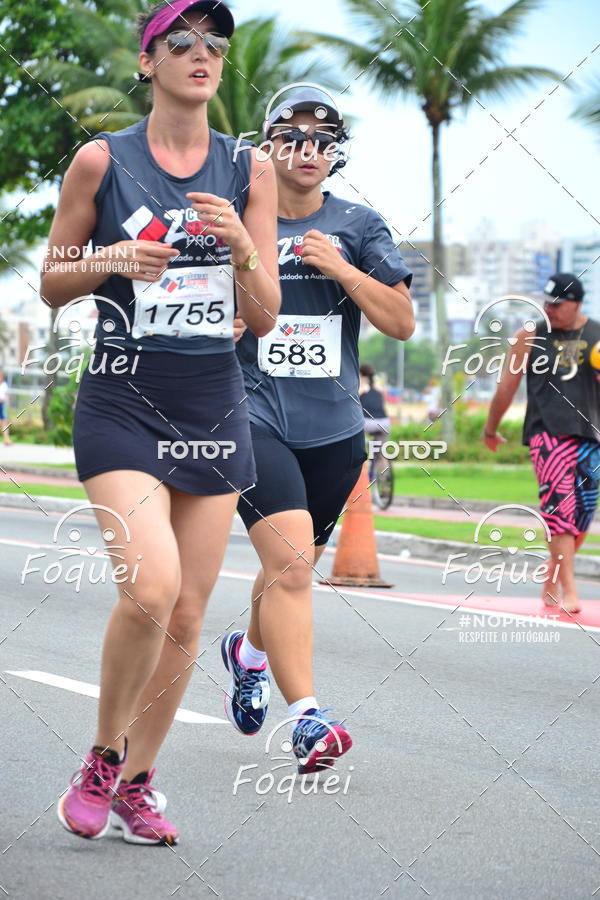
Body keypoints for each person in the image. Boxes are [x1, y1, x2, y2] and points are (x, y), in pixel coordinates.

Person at [41, 0, 280, 845]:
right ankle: (102, 759)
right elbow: (52, 282)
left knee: (187, 613)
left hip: (213, 406)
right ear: (148, 62)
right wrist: (111, 259)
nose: (201, 53)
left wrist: (247, 252)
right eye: (181, 41)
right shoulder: (102, 161)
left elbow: (264, 318)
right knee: (150, 587)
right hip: (119, 401)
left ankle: (139, 780)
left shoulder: (246, 170)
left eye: (215, 42)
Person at [220, 88, 414, 773]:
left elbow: (401, 322)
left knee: (285, 567)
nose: (308, 148)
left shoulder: (360, 224)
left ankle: (249, 655)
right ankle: (307, 719)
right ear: (267, 144)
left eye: (322, 137)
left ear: (336, 152)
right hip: (253, 415)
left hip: (334, 431)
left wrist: (340, 268)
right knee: (295, 564)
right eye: (293, 135)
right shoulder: (238, 220)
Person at [483, 273, 600, 614]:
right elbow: (506, 386)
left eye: (556, 304)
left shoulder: (597, 335)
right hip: (546, 433)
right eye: (546, 302)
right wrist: (491, 429)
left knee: (582, 516)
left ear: (576, 303)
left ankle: (552, 576)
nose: (549, 309)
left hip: (590, 436)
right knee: (560, 513)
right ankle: (571, 591)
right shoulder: (530, 336)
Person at [359, 362, 391, 437]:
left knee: (354, 430)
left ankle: (364, 444)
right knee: (377, 448)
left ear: (360, 373)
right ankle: (374, 447)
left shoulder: (362, 386)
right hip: (385, 423)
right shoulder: (379, 387)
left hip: (368, 423)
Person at [0, 370, 12, 445]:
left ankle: (6, 439)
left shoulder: (4, 385)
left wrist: (8, 402)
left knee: (4, 422)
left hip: (2, 404)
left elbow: (6, 395)